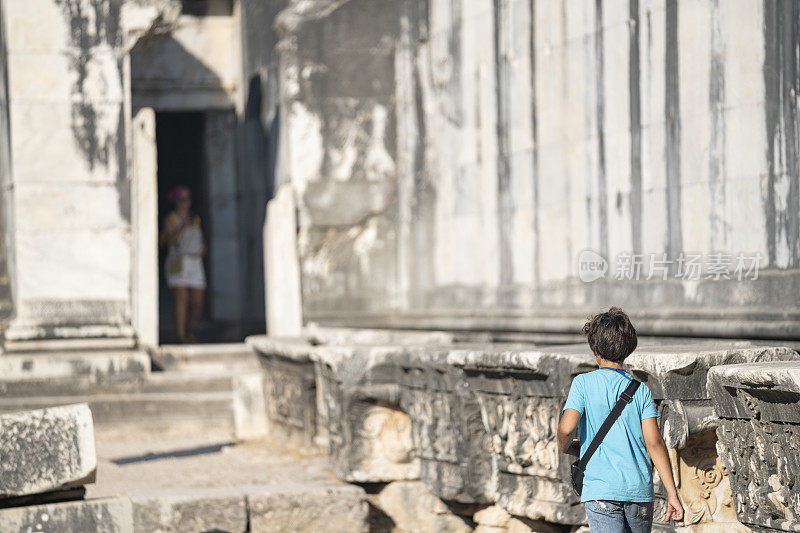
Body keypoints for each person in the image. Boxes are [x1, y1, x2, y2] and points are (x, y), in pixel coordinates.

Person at [557, 307, 684, 532]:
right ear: (628, 348)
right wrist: (672, 494)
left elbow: (567, 429)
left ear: (594, 347)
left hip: (601, 490)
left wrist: (566, 447)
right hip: (638, 491)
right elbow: (654, 444)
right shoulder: (641, 390)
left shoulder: (583, 384)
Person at [160, 185, 206, 343]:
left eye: (187, 199)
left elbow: (200, 239)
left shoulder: (196, 218)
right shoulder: (171, 219)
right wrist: (181, 227)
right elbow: (169, 240)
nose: (185, 202)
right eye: (181, 199)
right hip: (177, 261)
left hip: (194, 261)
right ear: (176, 201)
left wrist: (203, 249)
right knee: (182, 299)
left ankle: (189, 329)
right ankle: (181, 336)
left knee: (197, 300)